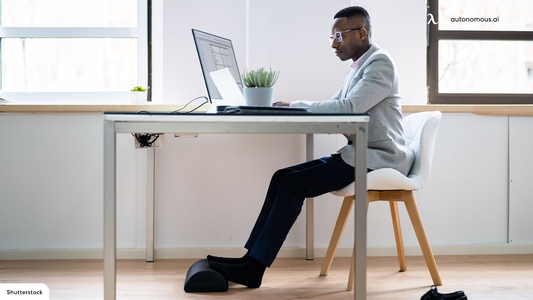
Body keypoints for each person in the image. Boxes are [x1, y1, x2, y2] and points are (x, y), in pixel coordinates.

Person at [207, 6, 415, 289]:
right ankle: (250, 259)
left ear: (362, 33)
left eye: (339, 36)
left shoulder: (380, 64)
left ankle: (253, 269)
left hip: (378, 159)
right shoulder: (359, 67)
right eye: (332, 37)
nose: (333, 43)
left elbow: (349, 108)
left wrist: (294, 106)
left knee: (293, 183)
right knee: (283, 177)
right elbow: (337, 106)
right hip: (361, 153)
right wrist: (291, 108)